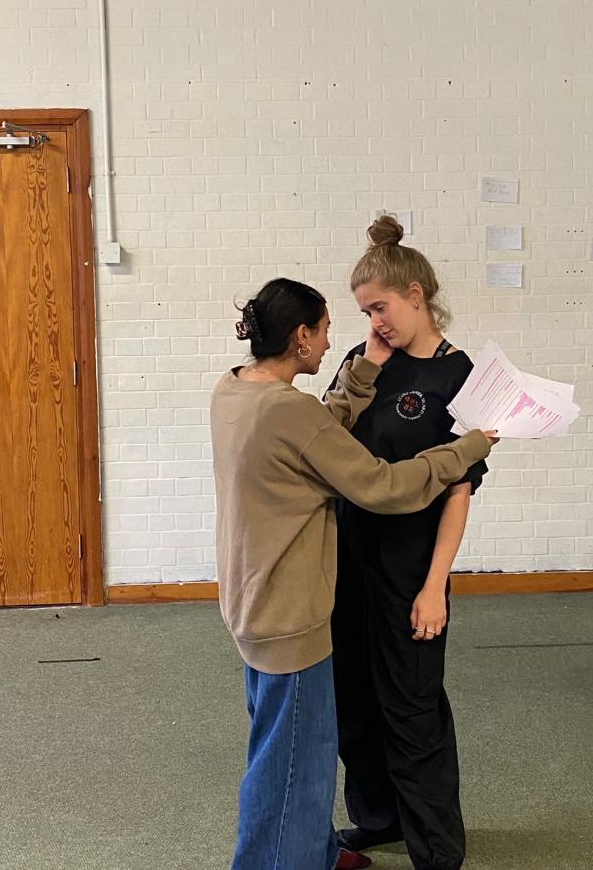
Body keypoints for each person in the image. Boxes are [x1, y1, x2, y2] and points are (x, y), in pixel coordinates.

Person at [210, 277, 496, 870]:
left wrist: (363, 371)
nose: (334, 338)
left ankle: (314, 850)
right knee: (292, 759)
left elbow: (317, 429)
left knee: (296, 743)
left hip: (250, 599)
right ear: (301, 336)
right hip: (290, 611)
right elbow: (384, 486)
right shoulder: (290, 412)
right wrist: (468, 446)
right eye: (328, 328)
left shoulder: (234, 389)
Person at [330, 216, 486, 870]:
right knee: (353, 702)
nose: (376, 321)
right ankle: (378, 817)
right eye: (365, 311)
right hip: (344, 564)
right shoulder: (361, 362)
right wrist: (368, 360)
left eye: (382, 307)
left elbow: (459, 490)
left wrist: (434, 587)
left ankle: (437, 851)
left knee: (413, 712)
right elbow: (325, 443)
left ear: (416, 295)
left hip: (411, 567)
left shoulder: (460, 374)